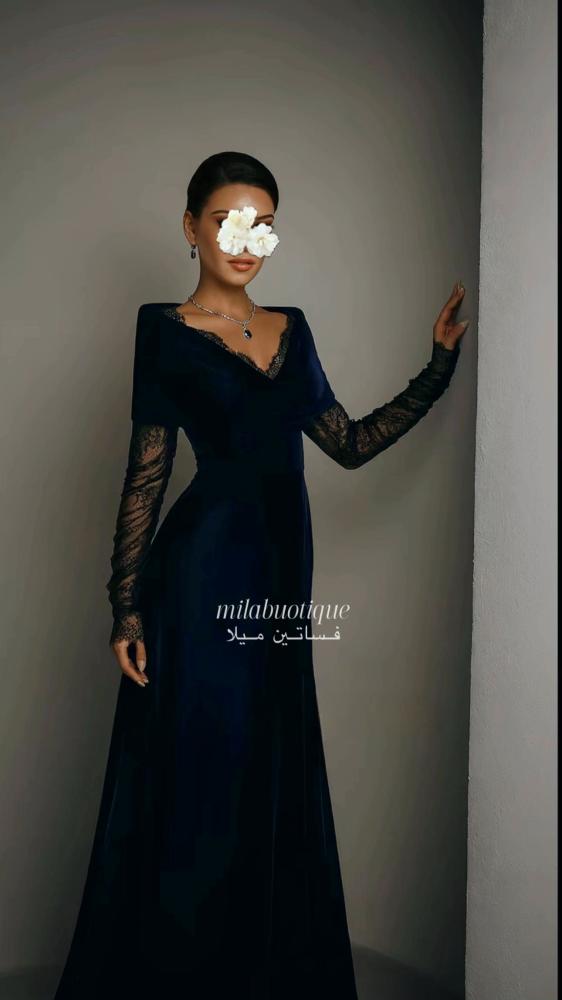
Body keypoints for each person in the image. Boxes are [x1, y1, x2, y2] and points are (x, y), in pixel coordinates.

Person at [53, 151, 466, 1000]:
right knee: (201, 767)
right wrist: (126, 606)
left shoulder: (293, 329)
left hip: (279, 580)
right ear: (191, 227)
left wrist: (437, 367)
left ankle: (258, 973)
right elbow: (147, 474)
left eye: (264, 224)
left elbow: (349, 443)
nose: (247, 241)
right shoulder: (162, 330)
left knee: (263, 764)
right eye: (227, 221)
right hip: (199, 581)